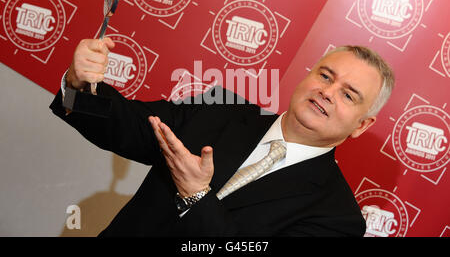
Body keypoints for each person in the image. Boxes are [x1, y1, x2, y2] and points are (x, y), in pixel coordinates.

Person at [50, 38, 395, 236]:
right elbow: (133, 126)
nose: (327, 92)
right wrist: (79, 87)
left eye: (348, 95)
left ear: (362, 125)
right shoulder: (223, 110)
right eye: (325, 75)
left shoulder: (338, 218)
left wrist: (197, 196)